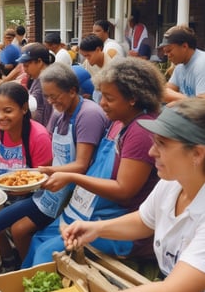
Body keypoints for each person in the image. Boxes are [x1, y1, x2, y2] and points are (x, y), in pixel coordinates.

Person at [21, 98, 205, 292]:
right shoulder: (171, 185)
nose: (151, 152)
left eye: (161, 144)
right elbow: (143, 221)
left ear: (197, 154)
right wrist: (97, 229)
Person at [22, 57, 164, 268]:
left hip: (124, 223)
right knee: (38, 238)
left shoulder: (141, 131)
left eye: (109, 98)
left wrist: (71, 176)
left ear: (133, 98)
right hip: (94, 207)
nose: (102, 103)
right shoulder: (119, 121)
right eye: (102, 95)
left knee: (46, 253)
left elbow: (124, 190)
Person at [0, 64, 108, 276]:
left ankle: (12, 276)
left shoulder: (88, 114)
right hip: (48, 187)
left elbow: (81, 165)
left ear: (73, 90)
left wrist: (42, 171)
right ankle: (16, 269)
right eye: (47, 97)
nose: (51, 102)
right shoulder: (59, 112)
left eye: (55, 96)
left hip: (68, 192)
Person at [159, 25, 205, 103]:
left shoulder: (202, 63)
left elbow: (202, 103)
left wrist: (179, 100)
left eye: (169, 50)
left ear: (184, 46)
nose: (167, 55)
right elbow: (166, 92)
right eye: (165, 52)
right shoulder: (180, 65)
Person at [16, 43, 55, 127]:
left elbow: (46, 113)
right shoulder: (37, 78)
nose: (25, 69)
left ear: (40, 62)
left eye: (26, 65)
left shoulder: (46, 81)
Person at [79, 34, 122, 102]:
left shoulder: (113, 65)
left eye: (88, 55)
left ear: (98, 50)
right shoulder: (87, 63)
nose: (87, 59)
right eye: (84, 56)